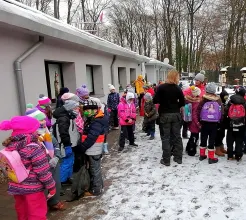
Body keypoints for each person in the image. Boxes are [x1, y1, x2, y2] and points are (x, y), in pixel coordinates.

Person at [0, 116, 56, 220]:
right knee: (37, 214)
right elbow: (43, 172)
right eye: (36, 128)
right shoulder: (34, 148)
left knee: (22, 213)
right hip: (33, 189)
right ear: (31, 131)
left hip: (16, 187)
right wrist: (51, 187)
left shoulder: (10, 145)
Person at [25, 105, 65, 210]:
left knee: (55, 183)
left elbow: (56, 145)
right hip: (39, 168)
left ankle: (54, 201)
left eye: (43, 119)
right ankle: (41, 208)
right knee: (41, 188)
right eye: (40, 120)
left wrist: (56, 157)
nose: (43, 122)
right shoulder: (30, 137)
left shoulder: (47, 132)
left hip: (53, 163)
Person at [75, 100, 109, 196]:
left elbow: (91, 137)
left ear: (95, 110)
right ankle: (98, 186)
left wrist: (82, 147)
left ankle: (96, 190)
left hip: (94, 149)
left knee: (95, 169)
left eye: (89, 109)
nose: (86, 111)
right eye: (85, 109)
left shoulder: (97, 121)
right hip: (93, 149)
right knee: (95, 168)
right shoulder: (93, 118)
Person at [153, 69, 185, 166]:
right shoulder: (178, 88)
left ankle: (166, 160)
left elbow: (155, 100)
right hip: (176, 115)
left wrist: (163, 101)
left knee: (165, 138)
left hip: (164, 115)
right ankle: (178, 158)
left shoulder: (161, 87)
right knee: (177, 137)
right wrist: (175, 103)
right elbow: (182, 103)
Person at [53, 100, 80, 185]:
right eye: (76, 108)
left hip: (70, 144)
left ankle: (67, 177)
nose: (78, 109)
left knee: (70, 161)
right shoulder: (63, 119)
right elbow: (63, 134)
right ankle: (61, 181)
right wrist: (67, 146)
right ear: (70, 108)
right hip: (65, 145)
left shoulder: (69, 116)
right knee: (65, 162)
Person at [197, 83, 223, 164]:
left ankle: (202, 155)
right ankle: (211, 157)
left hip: (204, 122)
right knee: (212, 139)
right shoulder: (218, 99)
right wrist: (220, 121)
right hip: (214, 123)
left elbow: (198, 110)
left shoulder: (203, 98)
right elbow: (221, 112)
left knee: (203, 138)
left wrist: (199, 120)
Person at [225, 87, 246, 161]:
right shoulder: (244, 102)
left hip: (231, 124)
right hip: (241, 125)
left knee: (230, 140)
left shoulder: (231, 101)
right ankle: (238, 155)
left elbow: (226, 110)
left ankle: (230, 155)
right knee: (239, 140)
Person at [183, 73, 205, 138]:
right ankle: (193, 143)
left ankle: (196, 141)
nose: (196, 81)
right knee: (193, 128)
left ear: (201, 81)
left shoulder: (204, 89)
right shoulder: (192, 88)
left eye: (198, 80)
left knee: (200, 128)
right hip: (192, 111)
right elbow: (183, 94)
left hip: (201, 112)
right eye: (195, 80)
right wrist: (190, 99)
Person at [185, 86, 201, 156]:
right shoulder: (196, 102)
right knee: (194, 136)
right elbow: (194, 114)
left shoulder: (190, 100)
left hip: (190, 121)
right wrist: (198, 123)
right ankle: (191, 151)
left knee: (192, 135)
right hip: (194, 122)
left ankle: (188, 148)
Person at [214, 90, 229, 156]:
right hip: (218, 122)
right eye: (225, 97)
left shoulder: (224, 103)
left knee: (222, 135)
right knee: (218, 136)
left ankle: (221, 147)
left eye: (227, 97)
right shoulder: (218, 102)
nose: (226, 99)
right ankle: (217, 149)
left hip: (223, 122)